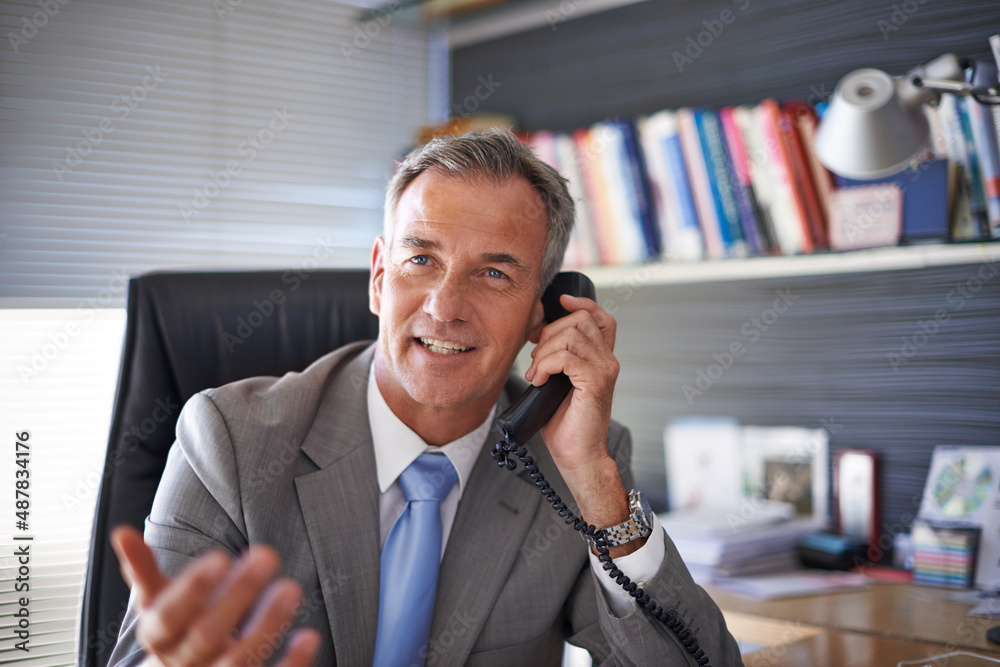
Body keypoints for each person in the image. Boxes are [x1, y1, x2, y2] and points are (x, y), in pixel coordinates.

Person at [108, 130, 742, 666]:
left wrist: (596, 484)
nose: (445, 308)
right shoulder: (230, 440)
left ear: (543, 312)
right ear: (380, 277)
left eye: (494, 273)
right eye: (421, 259)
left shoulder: (578, 463)